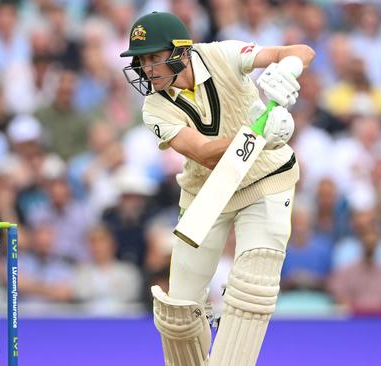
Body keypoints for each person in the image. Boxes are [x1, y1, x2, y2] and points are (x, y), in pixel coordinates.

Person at [119, 11, 314, 366]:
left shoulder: (223, 54)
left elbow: (300, 50)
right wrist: (260, 131)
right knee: (179, 312)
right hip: (207, 191)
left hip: (265, 178)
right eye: (141, 60)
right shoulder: (153, 108)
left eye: (153, 57)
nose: (147, 69)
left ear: (180, 51)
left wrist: (286, 71)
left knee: (254, 279)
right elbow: (204, 153)